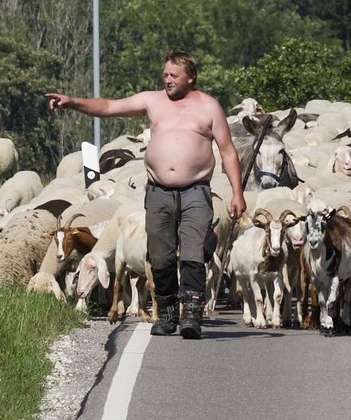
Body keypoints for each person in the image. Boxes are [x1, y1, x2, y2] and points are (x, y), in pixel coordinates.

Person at [45, 51, 245, 339]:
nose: (168, 80)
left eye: (174, 76)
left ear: (191, 78)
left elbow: (227, 151)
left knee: (192, 253)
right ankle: (166, 311)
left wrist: (237, 192)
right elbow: (109, 107)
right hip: (160, 192)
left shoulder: (209, 107)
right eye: (165, 75)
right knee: (160, 256)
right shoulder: (153, 101)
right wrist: (73, 102)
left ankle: (191, 314)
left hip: (195, 191)